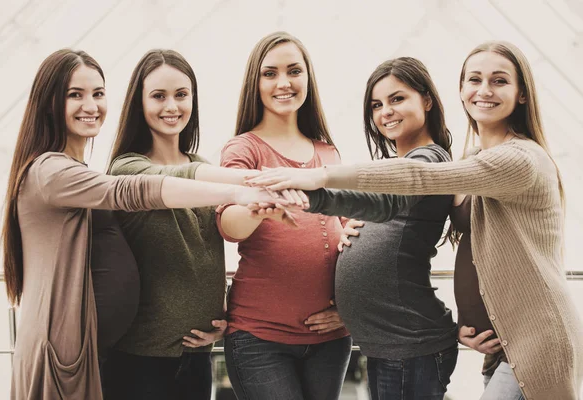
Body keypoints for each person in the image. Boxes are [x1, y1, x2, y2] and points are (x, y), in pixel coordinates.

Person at [246, 41, 583, 400]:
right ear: (461, 90)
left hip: (536, 341)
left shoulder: (519, 160)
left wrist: (320, 179)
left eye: (499, 81)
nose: (483, 90)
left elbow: (418, 178)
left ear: (521, 95)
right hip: (501, 341)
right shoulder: (474, 158)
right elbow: (407, 210)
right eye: (474, 79)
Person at [2, 49, 292, 400]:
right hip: (93, 356)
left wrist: (218, 313)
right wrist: (244, 186)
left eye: (97, 93)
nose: (90, 105)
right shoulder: (53, 171)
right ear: (48, 103)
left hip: (181, 355)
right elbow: (133, 189)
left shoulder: (76, 173)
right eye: (74, 94)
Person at [298, 57, 458, 400]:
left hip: (411, 345)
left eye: (397, 99)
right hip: (392, 345)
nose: (385, 111)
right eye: (376, 105)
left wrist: (306, 191)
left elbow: (386, 196)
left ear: (427, 101)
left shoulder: (428, 161)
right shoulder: (398, 167)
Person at [217, 32, 351, 400]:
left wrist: (348, 310)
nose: (283, 83)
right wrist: (257, 207)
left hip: (331, 340)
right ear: (254, 83)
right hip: (259, 338)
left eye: (294, 71)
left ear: (308, 78)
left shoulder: (329, 153)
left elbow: (344, 236)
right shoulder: (243, 148)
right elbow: (229, 224)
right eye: (270, 73)